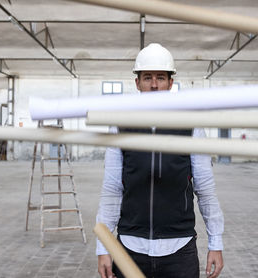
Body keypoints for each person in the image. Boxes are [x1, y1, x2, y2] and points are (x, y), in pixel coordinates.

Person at [96, 43, 224, 278]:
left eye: (160, 78)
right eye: (147, 77)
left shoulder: (190, 126)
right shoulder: (120, 125)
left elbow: (205, 189)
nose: (154, 85)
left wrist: (216, 242)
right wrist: (103, 247)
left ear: (170, 82)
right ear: (137, 83)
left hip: (179, 249)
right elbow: (112, 190)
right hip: (129, 249)